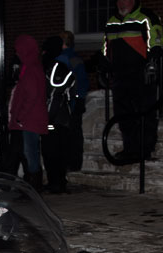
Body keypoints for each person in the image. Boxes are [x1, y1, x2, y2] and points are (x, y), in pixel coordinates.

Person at [104, 0, 163, 162]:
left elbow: (157, 42)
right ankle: (130, 148)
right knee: (123, 114)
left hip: (141, 75)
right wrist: (105, 66)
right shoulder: (111, 20)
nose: (122, 2)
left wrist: (151, 65)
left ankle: (145, 149)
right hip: (120, 76)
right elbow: (106, 47)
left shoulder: (146, 17)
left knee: (144, 113)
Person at [0, 34, 48, 191]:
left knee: (30, 154)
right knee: (26, 153)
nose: (17, 53)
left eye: (19, 50)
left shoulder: (31, 69)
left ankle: (33, 188)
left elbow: (31, 95)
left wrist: (20, 116)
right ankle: (29, 187)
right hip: (26, 121)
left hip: (28, 121)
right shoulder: (30, 67)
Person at [41, 35, 78, 194]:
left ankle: (57, 183)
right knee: (54, 151)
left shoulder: (56, 68)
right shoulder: (53, 66)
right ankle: (57, 182)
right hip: (58, 117)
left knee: (53, 151)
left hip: (57, 118)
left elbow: (55, 96)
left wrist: (47, 118)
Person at [58, 30, 90, 174]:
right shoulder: (76, 58)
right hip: (77, 100)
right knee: (76, 132)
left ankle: (68, 162)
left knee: (67, 133)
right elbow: (83, 82)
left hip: (68, 102)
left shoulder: (63, 59)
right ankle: (75, 163)